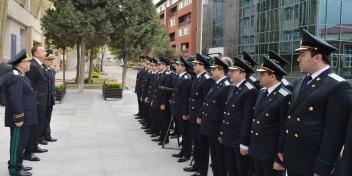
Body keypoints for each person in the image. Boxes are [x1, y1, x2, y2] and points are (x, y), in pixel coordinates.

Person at [281, 29, 352, 176]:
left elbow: (334, 134)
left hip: (313, 164)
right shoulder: (300, 82)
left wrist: (323, 167)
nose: (298, 59)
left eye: (302, 55)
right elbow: (291, 119)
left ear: (318, 57)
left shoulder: (338, 86)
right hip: (294, 158)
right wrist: (282, 148)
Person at [249, 56, 292, 176]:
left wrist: (278, 158)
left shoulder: (285, 96)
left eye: (262, 74)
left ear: (272, 76)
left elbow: (283, 129)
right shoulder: (262, 92)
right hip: (257, 149)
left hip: (270, 153)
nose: (259, 77)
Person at [219, 56, 258, 176]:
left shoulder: (250, 90)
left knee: (242, 170)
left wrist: (244, 143)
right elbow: (227, 112)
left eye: (234, 71)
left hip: (238, 138)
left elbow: (247, 118)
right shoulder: (233, 87)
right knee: (232, 168)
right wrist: (222, 132)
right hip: (229, 135)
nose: (230, 73)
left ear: (242, 74)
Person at [2, 49, 37, 176]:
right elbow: (15, 99)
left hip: (25, 117)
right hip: (20, 118)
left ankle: (18, 163)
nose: (29, 64)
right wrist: (18, 117)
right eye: (27, 62)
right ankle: (14, 169)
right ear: (21, 64)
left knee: (20, 143)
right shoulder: (15, 77)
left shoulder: (20, 76)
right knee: (17, 143)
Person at [199, 57, 232, 176]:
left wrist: (222, 133)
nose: (211, 71)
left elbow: (225, 112)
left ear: (221, 70)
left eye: (214, 69)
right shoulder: (217, 84)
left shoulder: (227, 86)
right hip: (211, 127)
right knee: (215, 158)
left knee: (221, 160)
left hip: (217, 128)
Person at [184, 53, 214, 176]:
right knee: (196, 142)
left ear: (202, 65)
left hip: (199, 117)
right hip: (193, 114)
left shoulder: (206, 79)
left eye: (195, 64)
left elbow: (205, 101)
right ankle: (196, 164)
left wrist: (200, 116)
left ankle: (203, 171)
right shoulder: (198, 77)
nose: (193, 66)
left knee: (202, 145)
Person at [24, 45, 49, 162]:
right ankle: (28, 152)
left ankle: (34, 146)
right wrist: (36, 99)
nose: (45, 52)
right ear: (35, 53)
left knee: (38, 126)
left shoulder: (39, 64)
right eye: (43, 51)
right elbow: (30, 84)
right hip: (37, 101)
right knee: (33, 127)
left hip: (42, 101)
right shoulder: (33, 65)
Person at [171, 55, 193, 163]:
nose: (176, 67)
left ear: (184, 67)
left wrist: (185, 112)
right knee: (183, 131)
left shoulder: (186, 79)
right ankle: (183, 151)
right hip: (177, 108)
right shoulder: (179, 77)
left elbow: (186, 97)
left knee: (186, 133)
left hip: (182, 110)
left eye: (178, 65)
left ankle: (187, 153)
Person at [42, 49, 58, 142]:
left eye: (52, 60)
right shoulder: (42, 70)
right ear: (44, 60)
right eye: (49, 60)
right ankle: (45, 136)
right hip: (44, 98)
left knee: (48, 118)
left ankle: (46, 135)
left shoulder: (51, 70)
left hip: (50, 99)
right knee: (43, 119)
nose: (52, 61)